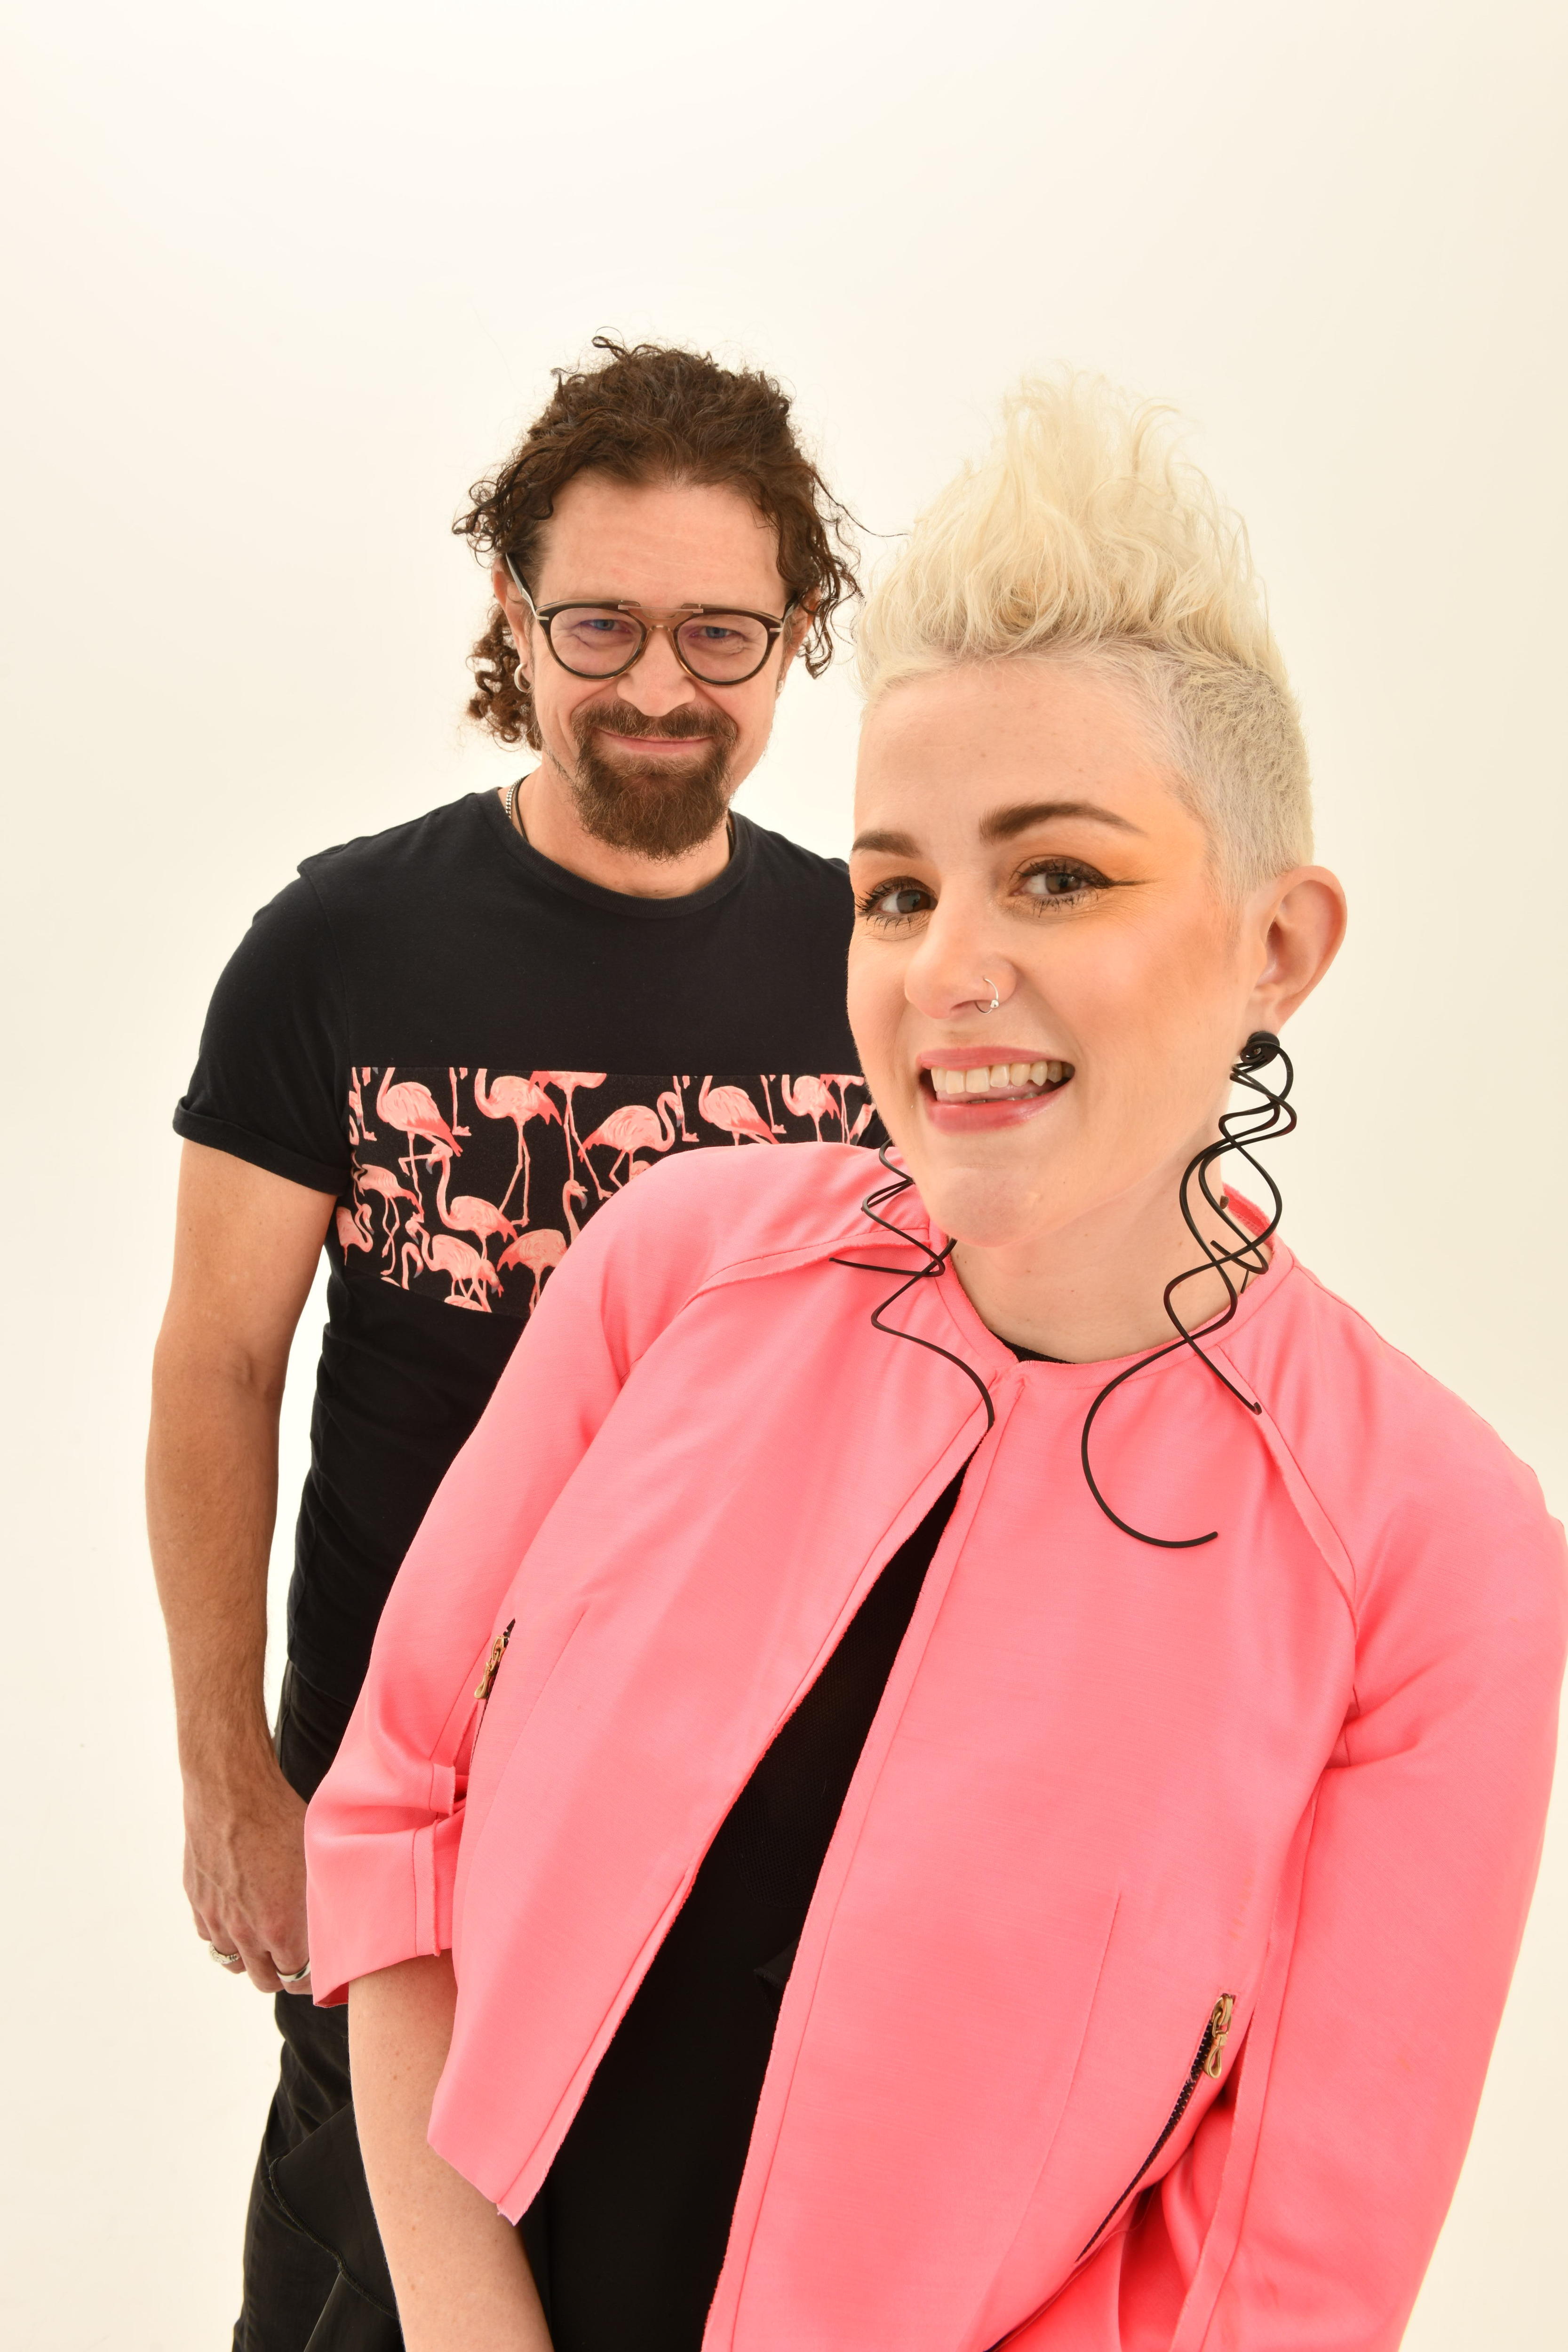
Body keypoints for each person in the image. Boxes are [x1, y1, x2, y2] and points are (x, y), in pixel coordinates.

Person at [304, 377, 1566, 2352]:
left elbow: (1269, 2290)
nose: (946, 970)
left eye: (1058, 874)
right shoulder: (672, 1263)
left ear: (1278, 947)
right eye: (896, 889)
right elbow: (397, 1810)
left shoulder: (1435, 1552)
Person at [146, 336, 882, 2352]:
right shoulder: (337, 946)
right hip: (408, 1827)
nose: (660, 684)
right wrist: (231, 1770)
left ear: (797, 633)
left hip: (751, 1826)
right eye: (602, 624)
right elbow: (218, 1359)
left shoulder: (870, 961)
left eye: (723, 632)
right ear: (511, 608)